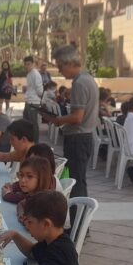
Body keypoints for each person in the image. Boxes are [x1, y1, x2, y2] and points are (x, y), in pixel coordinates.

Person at [43, 46, 98, 198]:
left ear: (70, 63)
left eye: (61, 66)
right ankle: (80, 212)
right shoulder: (88, 78)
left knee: (75, 183)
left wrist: (58, 120)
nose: (60, 71)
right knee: (79, 180)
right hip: (84, 137)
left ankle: (77, 213)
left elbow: (77, 117)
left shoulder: (80, 83)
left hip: (78, 139)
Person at [5, 156, 57, 222]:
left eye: (29, 176)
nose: (23, 180)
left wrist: (26, 221)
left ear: (41, 179)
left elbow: (34, 225)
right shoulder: (32, 195)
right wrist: (22, 216)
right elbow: (21, 204)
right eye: (21, 175)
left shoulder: (44, 204)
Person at [23, 56, 44, 142]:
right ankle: (29, 142)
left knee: (33, 124)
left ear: (33, 64)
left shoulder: (36, 74)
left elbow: (40, 90)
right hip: (28, 101)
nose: (27, 66)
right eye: (25, 64)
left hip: (34, 102)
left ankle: (35, 143)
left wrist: (38, 98)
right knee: (26, 123)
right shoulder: (29, 74)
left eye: (29, 64)